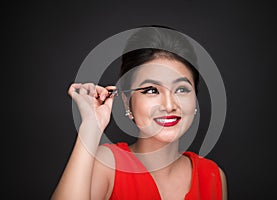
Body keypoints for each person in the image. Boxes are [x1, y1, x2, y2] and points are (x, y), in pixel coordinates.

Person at [51, 26, 227, 200]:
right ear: (128, 101)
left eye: (181, 89)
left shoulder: (213, 176)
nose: (169, 105)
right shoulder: (107, 165)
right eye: (151, 90)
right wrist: (91, 126)